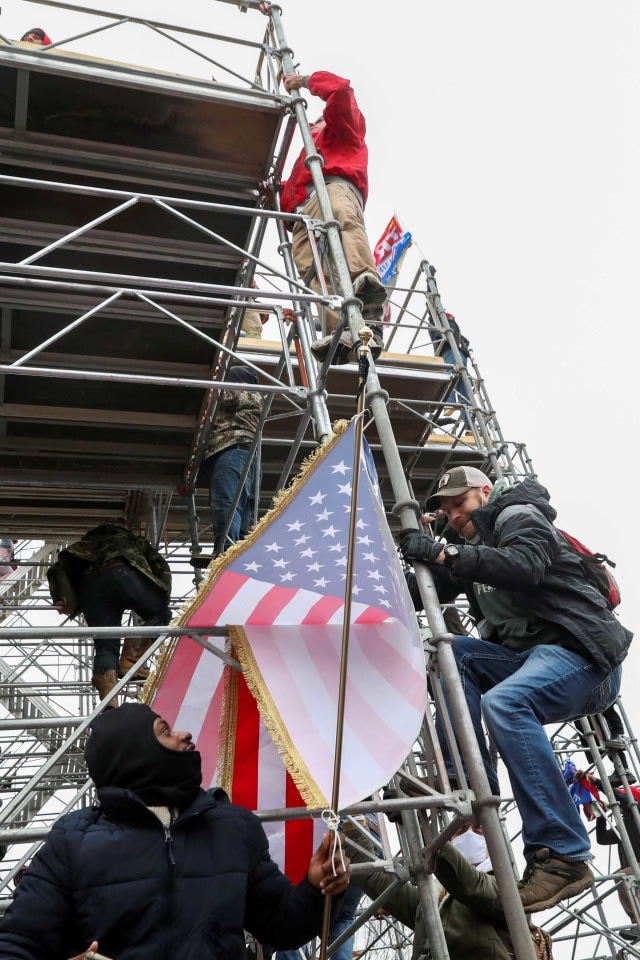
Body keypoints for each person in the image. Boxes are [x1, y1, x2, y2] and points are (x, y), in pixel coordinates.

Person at [398, 465, 632, 913]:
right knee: (449, 653)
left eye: (459, 502)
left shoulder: (518, 515)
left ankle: (563, 855)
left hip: (581, 657)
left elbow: (525, 566)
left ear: (485, 492)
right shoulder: (471, 551)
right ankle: (469, 782)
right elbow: (420, 589)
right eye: (445, 509)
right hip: (529, 660)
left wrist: (444, 553)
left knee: (505, 702)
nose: (453, 514)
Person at [0, 703, 350, 960]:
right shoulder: (72, 841)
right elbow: (17, 945)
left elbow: (281, 926)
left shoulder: (234, 825)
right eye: (164, 731)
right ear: (132, 755)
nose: (185, 734)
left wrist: (315, 889)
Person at [278, 69, 386, 365]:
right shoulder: (306, 159)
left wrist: (306, 81)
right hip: (302, 216)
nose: (313, 126)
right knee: (310, 268)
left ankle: (369, 294)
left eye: (317, 122)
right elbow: (287, 194)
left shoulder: (342, 132)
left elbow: (340, 91)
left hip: (333, 187)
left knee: (342, 221)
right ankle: (340, 329)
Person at [348, 822, 548, 960]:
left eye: (478, 830)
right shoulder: (433, 898)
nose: (469, 834)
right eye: (461, 829)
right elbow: (372, 876)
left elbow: (472, 886)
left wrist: (427, 834)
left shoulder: (513, 889)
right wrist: (354, 818)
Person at [47, 522, 172, 703]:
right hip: (122, 573)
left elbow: (56, 569)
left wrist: (59, 597)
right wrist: (162, 591)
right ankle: (131, 659)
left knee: (105, 645)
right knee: (160, 613)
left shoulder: (83, 546)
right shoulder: (131, 539)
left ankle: (108, 696)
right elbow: (159, 564)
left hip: (90, 587)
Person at [203, 365, 263, 556]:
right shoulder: (250, 397)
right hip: (243, 454)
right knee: (243, 508)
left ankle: (227, 551)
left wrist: (208, 382)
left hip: (234, 450)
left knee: (226, 501)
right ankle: (238, 553)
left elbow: (222, 396)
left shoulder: (245, 393)